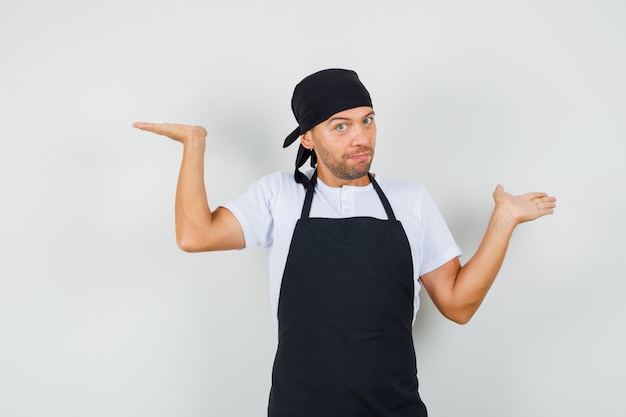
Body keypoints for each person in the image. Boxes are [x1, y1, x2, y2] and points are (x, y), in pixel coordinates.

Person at [133, 68, 556, 417]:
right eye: (341, 126)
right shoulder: (279, 195)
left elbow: (458, 305)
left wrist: (503, 222)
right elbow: (195, 235)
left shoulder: (411, 201)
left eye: (367, 120)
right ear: (308, 138)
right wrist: (194, 145)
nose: (361, 138)